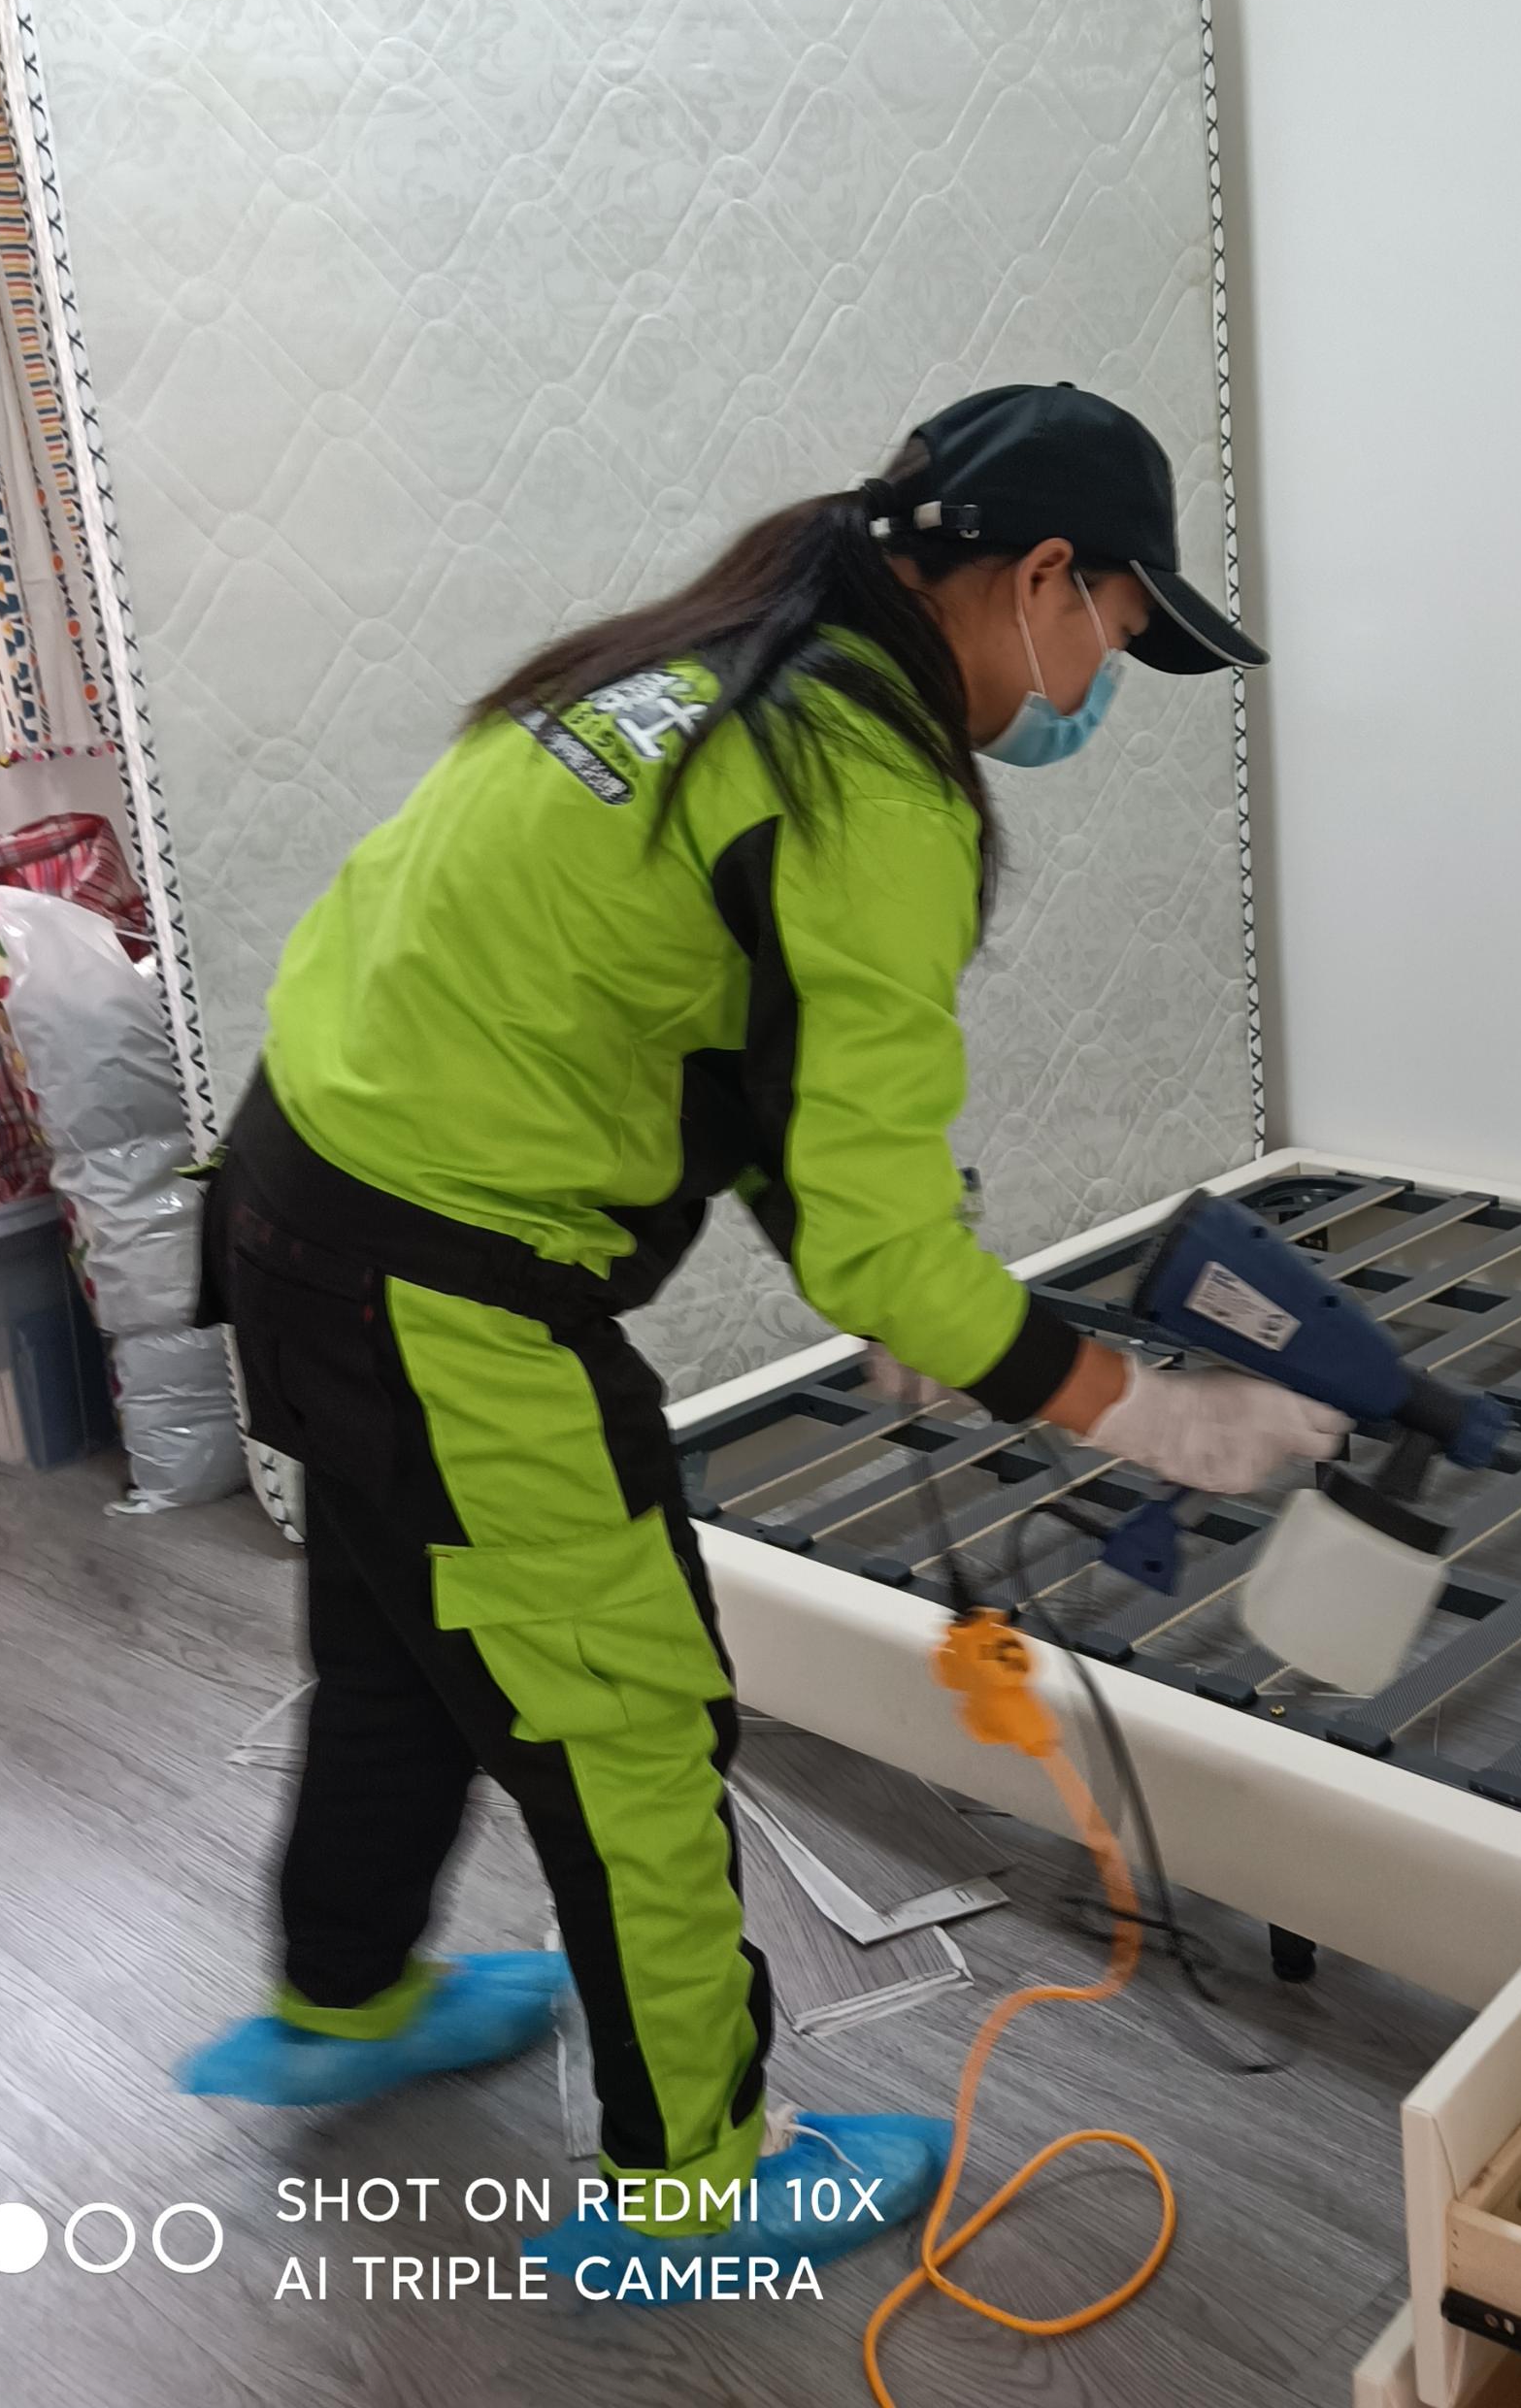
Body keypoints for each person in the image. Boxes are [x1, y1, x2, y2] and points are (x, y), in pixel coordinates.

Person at [178, 382, 1347, 2296]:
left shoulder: (702, 667)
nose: (1101, 683)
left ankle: (341, 1999)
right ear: (1043, 577)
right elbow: (862, 1209)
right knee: (627, 1722)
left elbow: (699, 1023)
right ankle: (692, 2190)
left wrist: (885, 1257)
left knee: (401, 1637)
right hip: (443, 1286)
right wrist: (1152, 1414)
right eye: (1123, 630)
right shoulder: (864, 780)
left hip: (293, 1195)